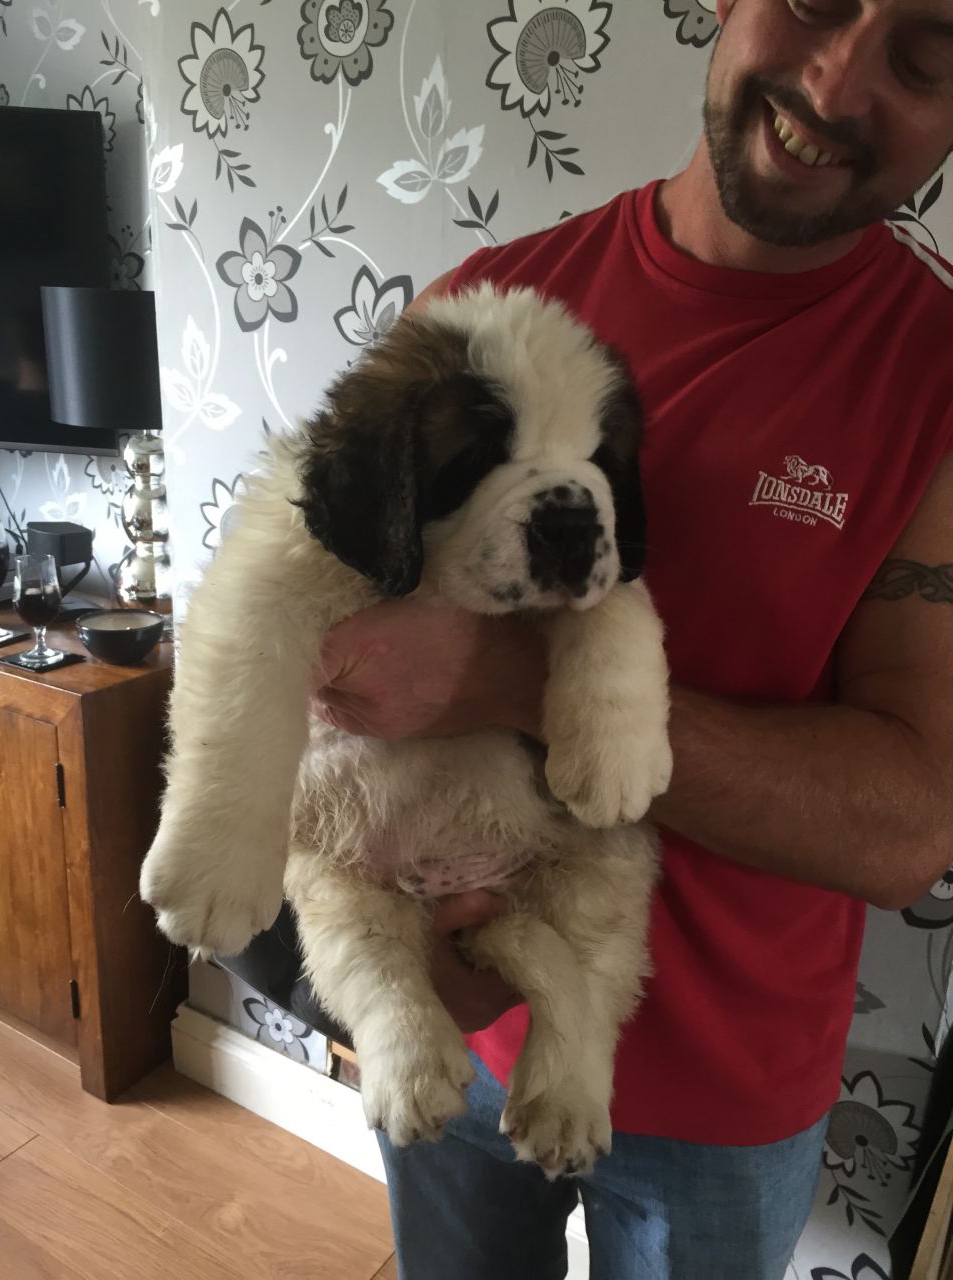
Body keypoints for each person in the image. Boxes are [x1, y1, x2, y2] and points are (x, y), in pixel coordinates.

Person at [312, 1, 953, 1276]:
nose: (834, 82)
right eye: (816, 3)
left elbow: (908, 826)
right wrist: (401, 964)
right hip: (468, 1019)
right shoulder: (484, 311)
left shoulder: (933, 377)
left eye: (926, 56)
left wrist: (520, 676)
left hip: (727, 1095)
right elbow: (333, 675)